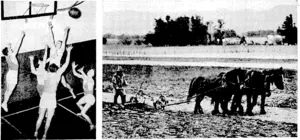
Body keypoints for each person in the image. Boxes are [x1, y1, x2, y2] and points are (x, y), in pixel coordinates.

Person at [34, 46, 73, 140]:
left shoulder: (45, 74)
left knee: (40, 117)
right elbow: (66, 64)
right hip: (51, 98)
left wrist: (46, 50)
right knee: (49, 119)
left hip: (44, 97)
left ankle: (35, 131)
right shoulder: (58, 75)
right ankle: (44, 135)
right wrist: (69, 51)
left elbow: (43, 63)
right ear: (56, 69)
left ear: (49, 69)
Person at [46, 22, 75, 98]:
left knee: (64, 84)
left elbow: (64, 39)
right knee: (51, 84)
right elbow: (51, 38)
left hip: (58, 70)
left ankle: (71, 91)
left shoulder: (61, 51)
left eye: (60, 43)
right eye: (57, 43)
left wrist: (66, 31)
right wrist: (49, 28)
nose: (58, 43)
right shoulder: (53, 49)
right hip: (51, 70)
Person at [1, 31, 25, 112]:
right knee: (10, 91)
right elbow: (17, 46)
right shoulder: (11, 56)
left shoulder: (8, 55)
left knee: (8, 90)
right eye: (10, 49)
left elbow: (13, 47)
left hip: (10, 74)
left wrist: (8, 45)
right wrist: (21, 36)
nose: (11, 49)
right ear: (8, 52)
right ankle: (4, 103)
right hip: (12, 76)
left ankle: (4, 102)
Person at [72, 62, 95, 130]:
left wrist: (82, 71)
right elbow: (75, 74)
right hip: (86, 97)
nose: (89, 72)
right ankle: (83, 113)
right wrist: (73, 68)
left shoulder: (91, 80)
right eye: (89, 72)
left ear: (92, 75)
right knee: (78, 104)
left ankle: (92, 125)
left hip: (90, 98)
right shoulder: (84, 77)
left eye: (91, 72)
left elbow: (87, 79)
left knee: (83, 112)